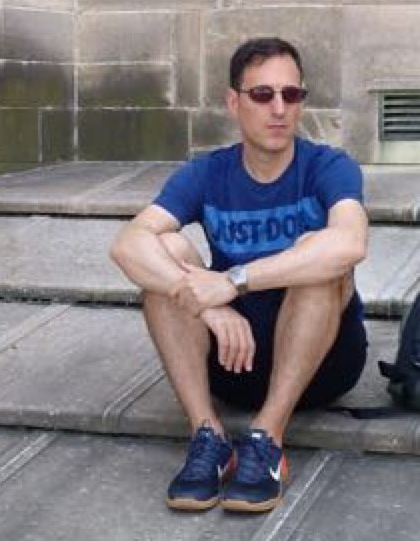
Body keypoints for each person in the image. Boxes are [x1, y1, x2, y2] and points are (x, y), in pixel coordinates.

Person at [110, 36, 368, 514]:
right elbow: (128, 243)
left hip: (322, 365)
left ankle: (268, 437)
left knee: (320, 253)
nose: (279, 109)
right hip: (234, 363)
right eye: (262, 94)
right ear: (234, 102)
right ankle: (208, 437)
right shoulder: (209, 173)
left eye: (291, 94)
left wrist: (232, 281)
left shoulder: (327, 166)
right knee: (165, 252)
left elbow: (351, 243)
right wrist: (203, 302)